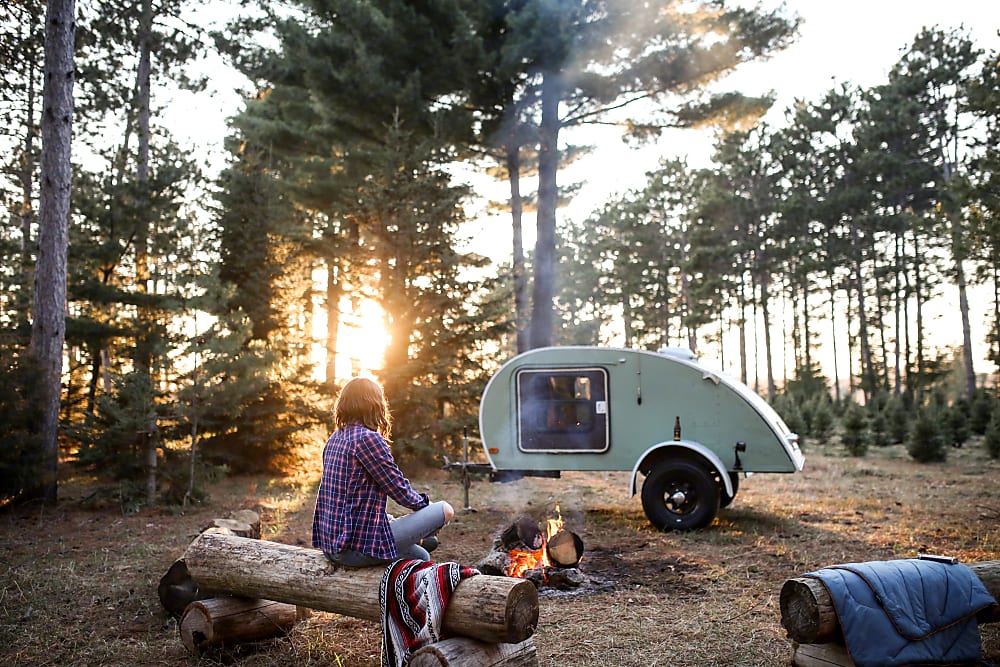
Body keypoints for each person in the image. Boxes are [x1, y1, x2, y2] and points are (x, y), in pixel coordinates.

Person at [312, 376, 454, 567]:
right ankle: (419, 536)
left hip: (332, 546)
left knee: (421, 557)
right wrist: (428, 516)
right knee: (445, 509)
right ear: (375, 405)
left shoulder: (336, 437)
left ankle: (417, 541)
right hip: (355, 547)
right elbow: (399, 489)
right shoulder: (367, 439)